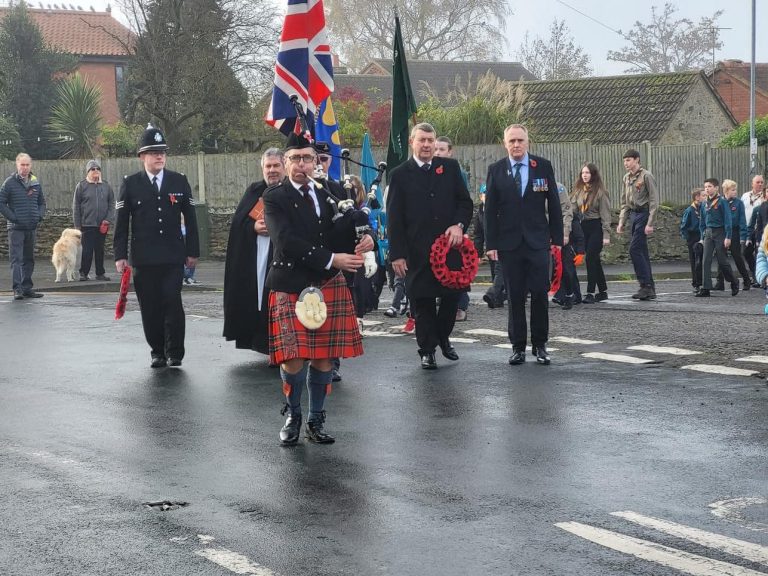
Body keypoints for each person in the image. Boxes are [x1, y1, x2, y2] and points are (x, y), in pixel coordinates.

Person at [263, 132, 374, 446]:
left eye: (308, 158)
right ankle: (294, 413)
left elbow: (351, 227)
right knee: (292, 358)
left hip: (328, 283)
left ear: (316, 162)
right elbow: (285, 241)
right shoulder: (275, 197)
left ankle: (316, 419)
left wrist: (367, 240)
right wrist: (332, 258)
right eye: (295, 159)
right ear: (285, 164)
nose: (302, 164)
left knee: (324, 356)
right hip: (292, 284)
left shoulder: (333, 190)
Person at [387, 122, 473, 370]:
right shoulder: (400, 175)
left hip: (450, 249)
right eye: (421, 140)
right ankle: (427, 350)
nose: (426, 145)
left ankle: (443, 338)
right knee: (422, 302)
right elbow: (395, 219)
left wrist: (458, 225)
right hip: (417, 252)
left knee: (451, 299)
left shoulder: (450, 167)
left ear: (436, 143)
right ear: (413, 142)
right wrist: (397, 255)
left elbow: (465, 203)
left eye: (430, 140)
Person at [113, 124, 200, 368]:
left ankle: (175, 352)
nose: (159, 156)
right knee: (150, 306)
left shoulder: (178, 181)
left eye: (162, 151)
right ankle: (157, 351)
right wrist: (120, 255)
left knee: (172, 301)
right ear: (142, 156)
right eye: (153, 152)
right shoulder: (131, 184)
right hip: (144, 257)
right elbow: (121, 223)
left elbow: (191, 219)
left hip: (173, 255)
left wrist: (192, 251)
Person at [485, 124, 563, 365]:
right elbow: (490, 211)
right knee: (515, 297)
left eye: (520, 140)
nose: (516, 145)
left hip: (538, 242)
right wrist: (491, 243)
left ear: (527, 142)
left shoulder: (543, 166)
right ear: (504, 143)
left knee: (540, 294)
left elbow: (554, 204)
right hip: (509, 245)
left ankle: (540, 345)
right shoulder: (496, 170)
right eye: (512, 141)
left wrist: (557, 239)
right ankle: (518, 346)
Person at [223, 148, 284, 356]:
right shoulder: (254, 190)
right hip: (258, 253)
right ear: (262, 168)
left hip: (283, 255)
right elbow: (238, 223)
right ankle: (261, 341)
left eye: (276, 165)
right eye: (268, 166)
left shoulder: (290, 190)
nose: (272, 170)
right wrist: (253, 228)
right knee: (258, 297)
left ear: (284, 166)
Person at [434, 135, 471, 321]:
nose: (438, 152)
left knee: (457, 268)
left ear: (450, 152)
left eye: (442, 149)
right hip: (436, 232)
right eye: (435, 149)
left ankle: (461, 305)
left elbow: (463, 201)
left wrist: (459, 225)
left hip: (454, 229)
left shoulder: (457, 171)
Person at [0, 153, 46, 300]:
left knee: (29, 259)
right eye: (22, 165)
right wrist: (13, 218)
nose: (25, 168)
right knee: (17, 259)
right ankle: (17, 289)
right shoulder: (9, 183)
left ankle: (27, 288)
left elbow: (42, 203)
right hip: (16, 229)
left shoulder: (35, 182)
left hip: (31, 227)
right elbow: (1, 202)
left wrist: (39, 215)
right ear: (17, 165)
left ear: (30, 166)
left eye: (27, 165)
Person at [616, 149, 657, 301]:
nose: (626, 163)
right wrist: (622, 221)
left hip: (644, 213)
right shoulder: (626, 178)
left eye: (628, 160)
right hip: (633, 214)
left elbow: (654, 201)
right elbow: (624, 202)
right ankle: (649, 287)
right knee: (642, 251)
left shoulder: (646, 176)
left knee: (634, 249)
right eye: (624, 160)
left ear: (637, 160)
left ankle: (644, 285)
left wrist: (650, 222)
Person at [571, 163, 611, 303]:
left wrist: (606, 234)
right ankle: (603, 291)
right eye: (583, 173)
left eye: (587, 173)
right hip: (583, 227)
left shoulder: (600, 192)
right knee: (594, 260)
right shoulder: (579, 191)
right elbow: (573, 209)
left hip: (596, 227)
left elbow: (606, 215)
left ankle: (590, 292)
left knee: (590, 258)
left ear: (593, 174)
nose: (585, 175)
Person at [73, 159, 114, 282]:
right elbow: (76, 206)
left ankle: (100, 273)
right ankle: (83, 273)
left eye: (98, 169)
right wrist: (77, 225)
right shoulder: (81, 186)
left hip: (102, 224)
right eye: (93, 169)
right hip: (87, 224)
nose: (96, 171)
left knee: (100, 249)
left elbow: (112, 203)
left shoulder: (106, 186)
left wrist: (108, 219)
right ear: (88, 172)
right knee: (87, 250)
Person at [696, 177, 738, 297]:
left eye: (709, 186)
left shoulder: (722, 202)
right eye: (705, 187)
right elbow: (702, 222)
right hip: (708, 233)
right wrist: (702, 236)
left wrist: (728, 236)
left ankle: (733, 281)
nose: (707, 189)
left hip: (720, 232)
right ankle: (706, 287)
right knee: (706, 260)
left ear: (716, 188)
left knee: (722, 261)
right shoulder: (704, 203)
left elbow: (728, 220)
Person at [718, 179, 751, 290]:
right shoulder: (720, 202)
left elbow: (742, 220)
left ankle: (746, 280)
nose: (735, 191)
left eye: (735, 189)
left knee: (737, 257)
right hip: (722, 232)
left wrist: (743, 236)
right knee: (721, 257)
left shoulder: (738, 203)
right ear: (726, 191)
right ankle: (720, 282)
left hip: (735, 233)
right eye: (733, 190)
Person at [679, 188, 705, 293]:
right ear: (697, 197)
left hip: (702, 237)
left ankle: (703, 281)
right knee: (695, 262)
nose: (705, 197)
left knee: (702, 260)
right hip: (693, 237)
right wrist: (688, 239)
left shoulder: (703, 208)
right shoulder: (689, 210)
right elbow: (684, 226)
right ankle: (696, 283)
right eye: (703, 195)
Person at [742, 174, 764, 286]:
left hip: (758, 229)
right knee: (746, 253)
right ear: (752, 183)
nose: (760, 184)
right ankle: (755, 273)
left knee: (758, 254)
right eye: (757, 182)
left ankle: (758, 278)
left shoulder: (764, 197)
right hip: (746, 228)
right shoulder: (745, 196)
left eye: (761, 182)